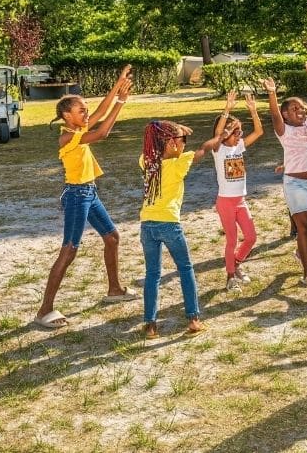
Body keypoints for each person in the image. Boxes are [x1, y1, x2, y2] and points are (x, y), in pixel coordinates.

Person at [34, 65, 136, 329]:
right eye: (81, 110)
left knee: (112, 238)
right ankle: (44, 310)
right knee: (69, 251)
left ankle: (114, 289)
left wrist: (117, 84)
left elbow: (100, 112)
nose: (86, 112)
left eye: (85, 109)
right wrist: (122, 102)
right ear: (67, 115)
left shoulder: (77, 129)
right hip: (77, 196)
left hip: (89, 192)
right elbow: (102, 132)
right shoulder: (68, 136)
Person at [139, 119, 229, 338]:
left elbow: (155, 140)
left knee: (152, 274)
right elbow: (205, 148)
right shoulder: (179, 164)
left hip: (146, 224)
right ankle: (194, 319)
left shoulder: (146, 161)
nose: (185, 144)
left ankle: (150, 325)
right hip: (169, 223)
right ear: (171, 143)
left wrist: (176, 130)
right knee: (186, 269)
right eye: (183, 140)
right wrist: (223, 136)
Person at [263, 62, 307, 286]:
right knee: (304, 227)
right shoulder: (284, 130)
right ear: (285, 115)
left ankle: (302, 252)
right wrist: (272, 93)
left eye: (302, 107)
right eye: (295, 109)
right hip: (295, 183)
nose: (301, 111)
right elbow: (273, 114)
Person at [211, 91, 265, 293]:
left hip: (240, 201)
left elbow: (259, 132)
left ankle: (236, 263)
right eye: (235, 132)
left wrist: (253, 111)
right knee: (232, 240)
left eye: (240, 131)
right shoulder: (218, 149)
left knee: (251, 237)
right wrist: (228, 108)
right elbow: (217, 134)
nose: (239, 135)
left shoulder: (239, 147)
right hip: (225, 202)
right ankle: (230, 276)